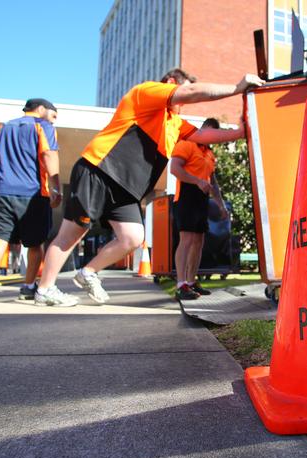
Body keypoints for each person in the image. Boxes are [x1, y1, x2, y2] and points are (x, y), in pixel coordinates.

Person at [34, 68, 264, 306]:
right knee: (72, 233)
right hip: (99, 169)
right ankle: (45, 289)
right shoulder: (145, 92)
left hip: (127, 190)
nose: (182, 102)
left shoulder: (175, 123)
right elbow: (193, 92)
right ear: (172, 83)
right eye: (180, 89)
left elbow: (205, 136)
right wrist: (237, 88)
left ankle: (88, 272)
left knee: (133, 237)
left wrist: (241, 132)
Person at [0, 98, 64, 306]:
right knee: (34, 244)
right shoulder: (44, 127)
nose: (54, 121)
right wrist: (56, 188)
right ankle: (29, 287)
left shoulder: (3, 129)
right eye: (53, 115)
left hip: (3, 190)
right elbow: (49, 155)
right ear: (41, 109)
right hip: (34, 194)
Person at [170, 117, 232, 300]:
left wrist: (220, 205)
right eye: (209, 133)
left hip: (202, 199)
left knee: (198, 241)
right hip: (186, 197)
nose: (210, 138)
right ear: (202, 129)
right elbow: (174, 168)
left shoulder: (209, 154)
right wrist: (197, 181)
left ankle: (190, 281)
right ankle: (181, 285)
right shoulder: (186, 143)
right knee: (187, 240)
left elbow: (213, 182)